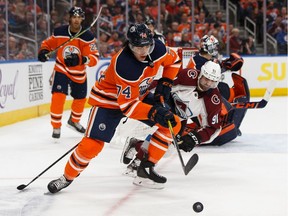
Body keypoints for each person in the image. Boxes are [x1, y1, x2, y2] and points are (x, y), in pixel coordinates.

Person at [47, 23, 182, 193]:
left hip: (136, 97)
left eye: (147, 46)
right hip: (108, 101)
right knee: (91, 146)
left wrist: (166, 82)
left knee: (173, 124)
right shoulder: (125, 65)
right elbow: (129, 108)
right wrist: (155, 112)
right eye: (137, 47)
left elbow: (175, 60)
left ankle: (145, 168)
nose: (143, 52)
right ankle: (66, 177)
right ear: (129, 45)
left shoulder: (159, 49)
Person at [121, 61, 223, 175]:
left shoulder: (213, 99)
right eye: (206, 79)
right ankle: (138, 162)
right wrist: (140, 96)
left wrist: (194, 138)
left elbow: (213, 128)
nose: (208, 83)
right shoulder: (188, 76)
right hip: (164, 106)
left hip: (180, 119)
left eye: (212, 81)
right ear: (201, 74)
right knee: (160, 135)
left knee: (168, 150)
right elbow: (163, 85)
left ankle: (136, 145)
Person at [37, 7, 99, 139]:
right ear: (70, 18)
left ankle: (74, 121)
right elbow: (47, 44)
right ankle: (56, 126)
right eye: (74, 17)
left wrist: (82, 59)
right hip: (62, 69)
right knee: (58, 96)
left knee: (80, 98)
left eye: (79, 17)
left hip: (79, 72)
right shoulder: (59, 32)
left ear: (82, 18)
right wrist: (43, 51)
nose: (76, 20)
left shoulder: (87, 36)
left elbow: (94, 58)